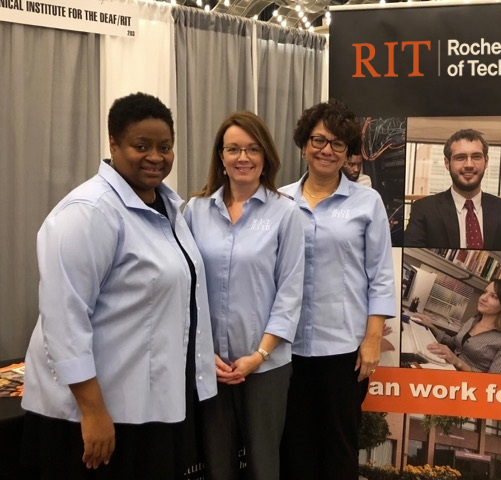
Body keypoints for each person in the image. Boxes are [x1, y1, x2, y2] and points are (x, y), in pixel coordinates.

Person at [21, 92, 217, 479]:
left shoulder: (166, 209)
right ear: (113, 144)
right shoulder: (89, 213)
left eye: (165, 147)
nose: (155, 157)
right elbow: (64, 320)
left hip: (151, 407)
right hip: (95, 415)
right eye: (140, 146)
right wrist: (93, 412)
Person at [279, 99, 396, 480]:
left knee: (338, 448)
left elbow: (380, 274)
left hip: (343, 350)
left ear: (348, 153)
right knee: (293, 447)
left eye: (337, 144)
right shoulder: (278, 200)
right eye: (318, 140)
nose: (326, 150)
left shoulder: (367, 202)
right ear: (303, 144)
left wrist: (373, 338)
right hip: (286, 348)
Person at [183, 111, 304, 480]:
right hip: (212, 366)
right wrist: (205, 356)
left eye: (252, 149)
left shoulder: (286, 213)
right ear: (221, 156)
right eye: (233, 148)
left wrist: (259, 355)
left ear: (265, 155)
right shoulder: (194, 211)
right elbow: (187, 286)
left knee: (263, 465)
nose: (243, 157)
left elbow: (290, 292)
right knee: (216, 465)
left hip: (265, 366)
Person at [404, 129, 501, 250]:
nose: (469, 165)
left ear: (486, 162)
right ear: (447, 163)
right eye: (460, 158)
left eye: (476, 157)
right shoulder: (424, 210)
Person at [412, 280, 501, 374]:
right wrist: (431, 326)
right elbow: (454, 342)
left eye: (494, 296)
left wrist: (456, 361)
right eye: (485, 292)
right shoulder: (472, 321)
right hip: (446, 367)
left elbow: (492, 383)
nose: (483, 298)